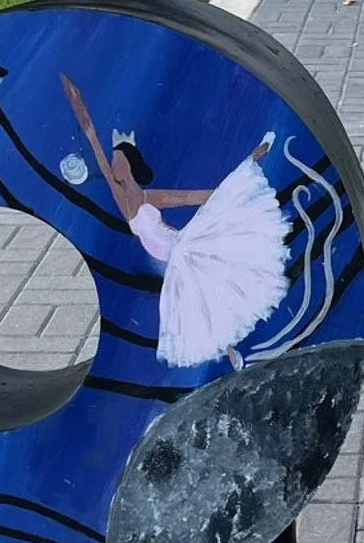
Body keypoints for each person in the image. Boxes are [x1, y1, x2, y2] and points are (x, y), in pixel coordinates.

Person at [62, 77, 288, 369]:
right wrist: (77, 103)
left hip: (182, 247)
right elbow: (92, 140)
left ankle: (253, 160)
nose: (114, 164)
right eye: (114, 160)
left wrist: (223, 194)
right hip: (175, 257)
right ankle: (231, 351)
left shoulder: (146, 196)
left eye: (118, 159)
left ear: (129, 165)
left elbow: (189, 197)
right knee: (198, 307)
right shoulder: (119, 194)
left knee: (212, 285)